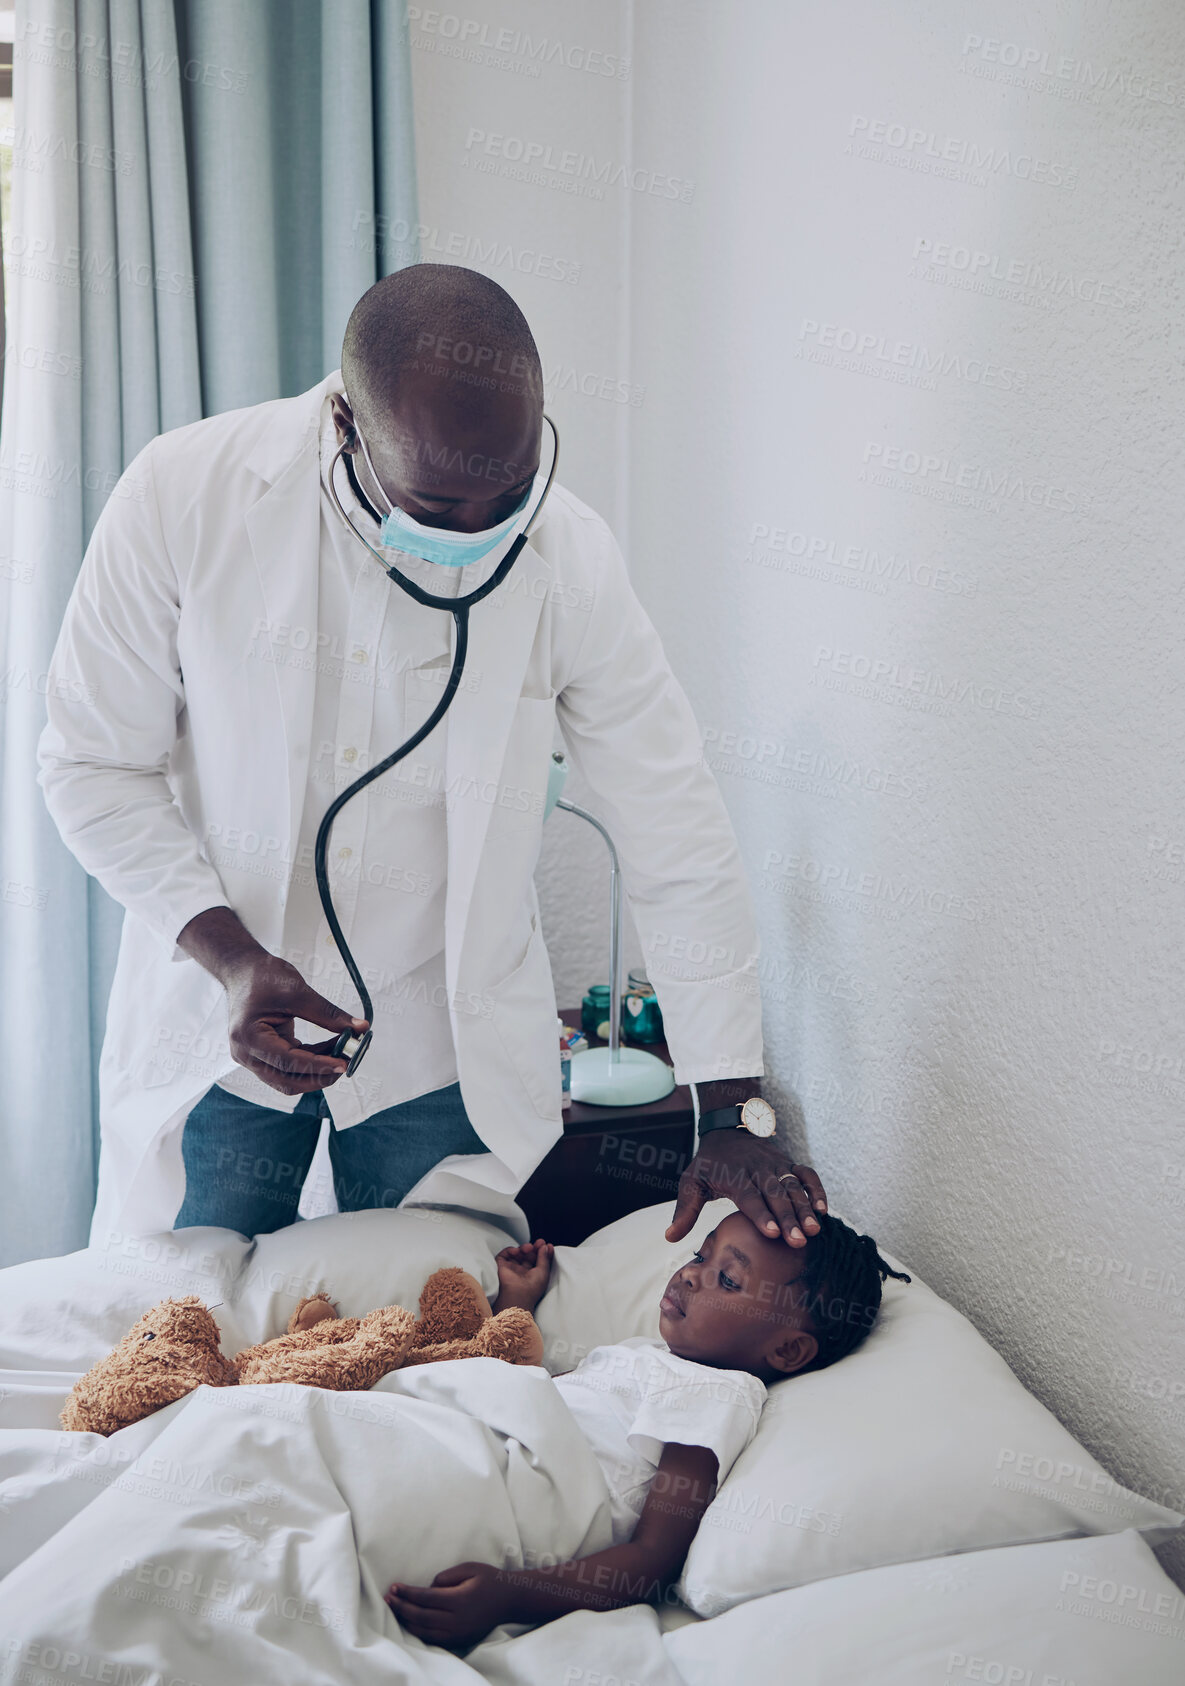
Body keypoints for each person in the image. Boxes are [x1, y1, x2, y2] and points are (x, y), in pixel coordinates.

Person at [37, 262, 826, 1250]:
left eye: (509, 492)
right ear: (345, 427)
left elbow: (676, 830)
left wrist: (730, 1109)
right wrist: (229, 957)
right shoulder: (185, 494)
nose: (483, 531)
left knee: (432, 1342)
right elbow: (90, 764)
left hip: (439, 1057)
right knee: (187, 1341)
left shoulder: (569, 559)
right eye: (440, 507)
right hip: (223, 1035)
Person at [387, 1208, 911, 1650]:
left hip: (492, 1488)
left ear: (788, 1349)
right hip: (458, 1434)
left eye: (728, 1279)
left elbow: (651, 1560)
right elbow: (527, 1393)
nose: (690, 1275)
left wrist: (510, 1594)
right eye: (701, 1256)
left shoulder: (718, 1392)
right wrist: (518, 1304)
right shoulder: (645, 1354)